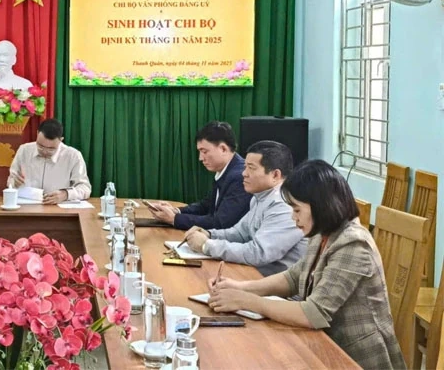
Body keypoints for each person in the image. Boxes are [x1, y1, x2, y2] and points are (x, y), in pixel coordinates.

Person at [207, 160, 405, 370]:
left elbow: (313, 313)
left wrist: (247, 301)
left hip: (355, 357)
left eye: (297, 209)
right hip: (322, 344)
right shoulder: (323, 233)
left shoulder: (353, 243)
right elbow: (294, 277)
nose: (293, 217)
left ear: (321, 206)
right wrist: (241, 287)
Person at [183, 140, 306, 276]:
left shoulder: (284, 205)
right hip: (253, 274)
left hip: (272, 283)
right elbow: (240, 233)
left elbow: (258, 253)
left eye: (251, 168)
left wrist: (207, 245)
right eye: (245, 167)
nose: (244, 173)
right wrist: (209, 234)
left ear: (275, 175)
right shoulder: (260, 197)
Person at [148, 121, 250, 230]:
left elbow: (220, 223)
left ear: (223, 149)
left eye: (204, 152)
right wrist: (176, 211)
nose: (200, 158)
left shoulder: (239, 176)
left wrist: (174, 219)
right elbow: (206, 206)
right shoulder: (226, 170)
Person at [8, 118, 91, 204]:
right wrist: (14, 182)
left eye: (51, 148)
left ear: (61, 140)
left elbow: (85, 188)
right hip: (27, 206)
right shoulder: (24, 150)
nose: (45, 151)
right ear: (37, 134)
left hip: (58, 208)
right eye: (40, 146)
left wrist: (65, 194)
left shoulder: (73, 156)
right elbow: (11, 180)